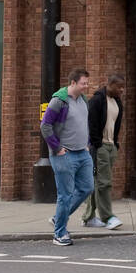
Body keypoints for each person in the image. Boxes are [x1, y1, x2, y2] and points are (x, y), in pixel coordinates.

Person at [40, 67, 94, 246]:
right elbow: (45, 126)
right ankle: (59, 234)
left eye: (87, 83)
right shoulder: (59, 101)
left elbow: (82, 123)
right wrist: (57, 148)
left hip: (83, 153)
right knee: (66, 195)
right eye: (83, 83)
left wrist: (87, 143)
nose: (86, 86)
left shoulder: (83, 100)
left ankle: (58, 217)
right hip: (65, 154)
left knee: (87, 188)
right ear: (73, 83)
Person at [82, 74, 125, 229]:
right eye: (119, 87)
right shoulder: (97, 100)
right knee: (104, 183)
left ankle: (88, 217)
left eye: (123, 87)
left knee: (96, 182)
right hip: (100, 147)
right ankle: (108, 218)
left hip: (110, 146)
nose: (121, 90)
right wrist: (97, 144)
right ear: (110, 84)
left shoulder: (117, 102)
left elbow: (115, 124)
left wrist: (115, 144)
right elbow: (91, 124)